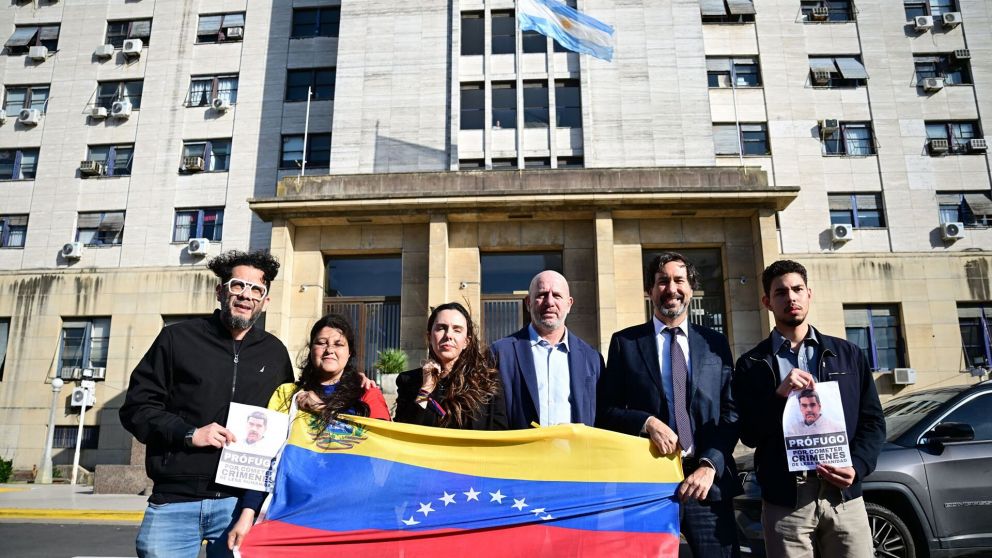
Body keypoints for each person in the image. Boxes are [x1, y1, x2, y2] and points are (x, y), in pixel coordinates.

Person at [120, 250, 295, 558]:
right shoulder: (176, 339)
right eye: (238, 285)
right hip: (174, 502)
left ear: (265, 301)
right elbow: (137, 408)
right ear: (220, 290)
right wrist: (189, 433)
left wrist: (354, 386)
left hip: (240, 509)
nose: (246, 295)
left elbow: (287, 417)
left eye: (257, 289)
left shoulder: (275, 353)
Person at [733, 260, 885, 558]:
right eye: (781, 292)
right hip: (786, 502)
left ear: (809, 294)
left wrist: (856, 466)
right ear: (767, 301)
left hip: (844, 497)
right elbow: (749, 433)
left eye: (797, 289)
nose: (791, 297)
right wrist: (779, 396)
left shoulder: (847, 354)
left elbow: (873, 422)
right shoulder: (751, 364)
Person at [596, 252, 741, 557]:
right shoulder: (626, 343)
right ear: (650, 291)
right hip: (647, 487)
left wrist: (710, 464)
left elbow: (730, 413)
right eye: (663, 281)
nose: (671, 288)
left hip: (706, 485)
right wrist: (645, 423)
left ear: (691, 289)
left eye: (679, 280)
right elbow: (606, 412)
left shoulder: (714, 343)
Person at [227, 313, 391, 550]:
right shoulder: (286, 394)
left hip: (351, 513)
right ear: (311, 348)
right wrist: (247, 514)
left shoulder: (366, 395)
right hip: (295, 512)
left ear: (349, 352)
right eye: (321, 342)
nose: (329, 350)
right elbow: (264, 457)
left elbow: (380, 444)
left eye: (338, 344)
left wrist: (321, 409)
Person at [491, 270, 604, 429]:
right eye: (542, 294)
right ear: (528, 302)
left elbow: (603, 417)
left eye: (557, 295)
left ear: (569, 304)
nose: (549, 302)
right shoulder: (500, 353)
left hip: (575, 452)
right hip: (520, 451)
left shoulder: (592, 359)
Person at [394, 302, 507, 429]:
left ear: (466, 342)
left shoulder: (487, 381)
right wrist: (425, 390)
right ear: (429, 337)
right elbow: (403, 432)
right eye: (441, 328)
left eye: (457, 330)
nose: (448, 335)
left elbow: (499, 432)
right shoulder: (408, 381)